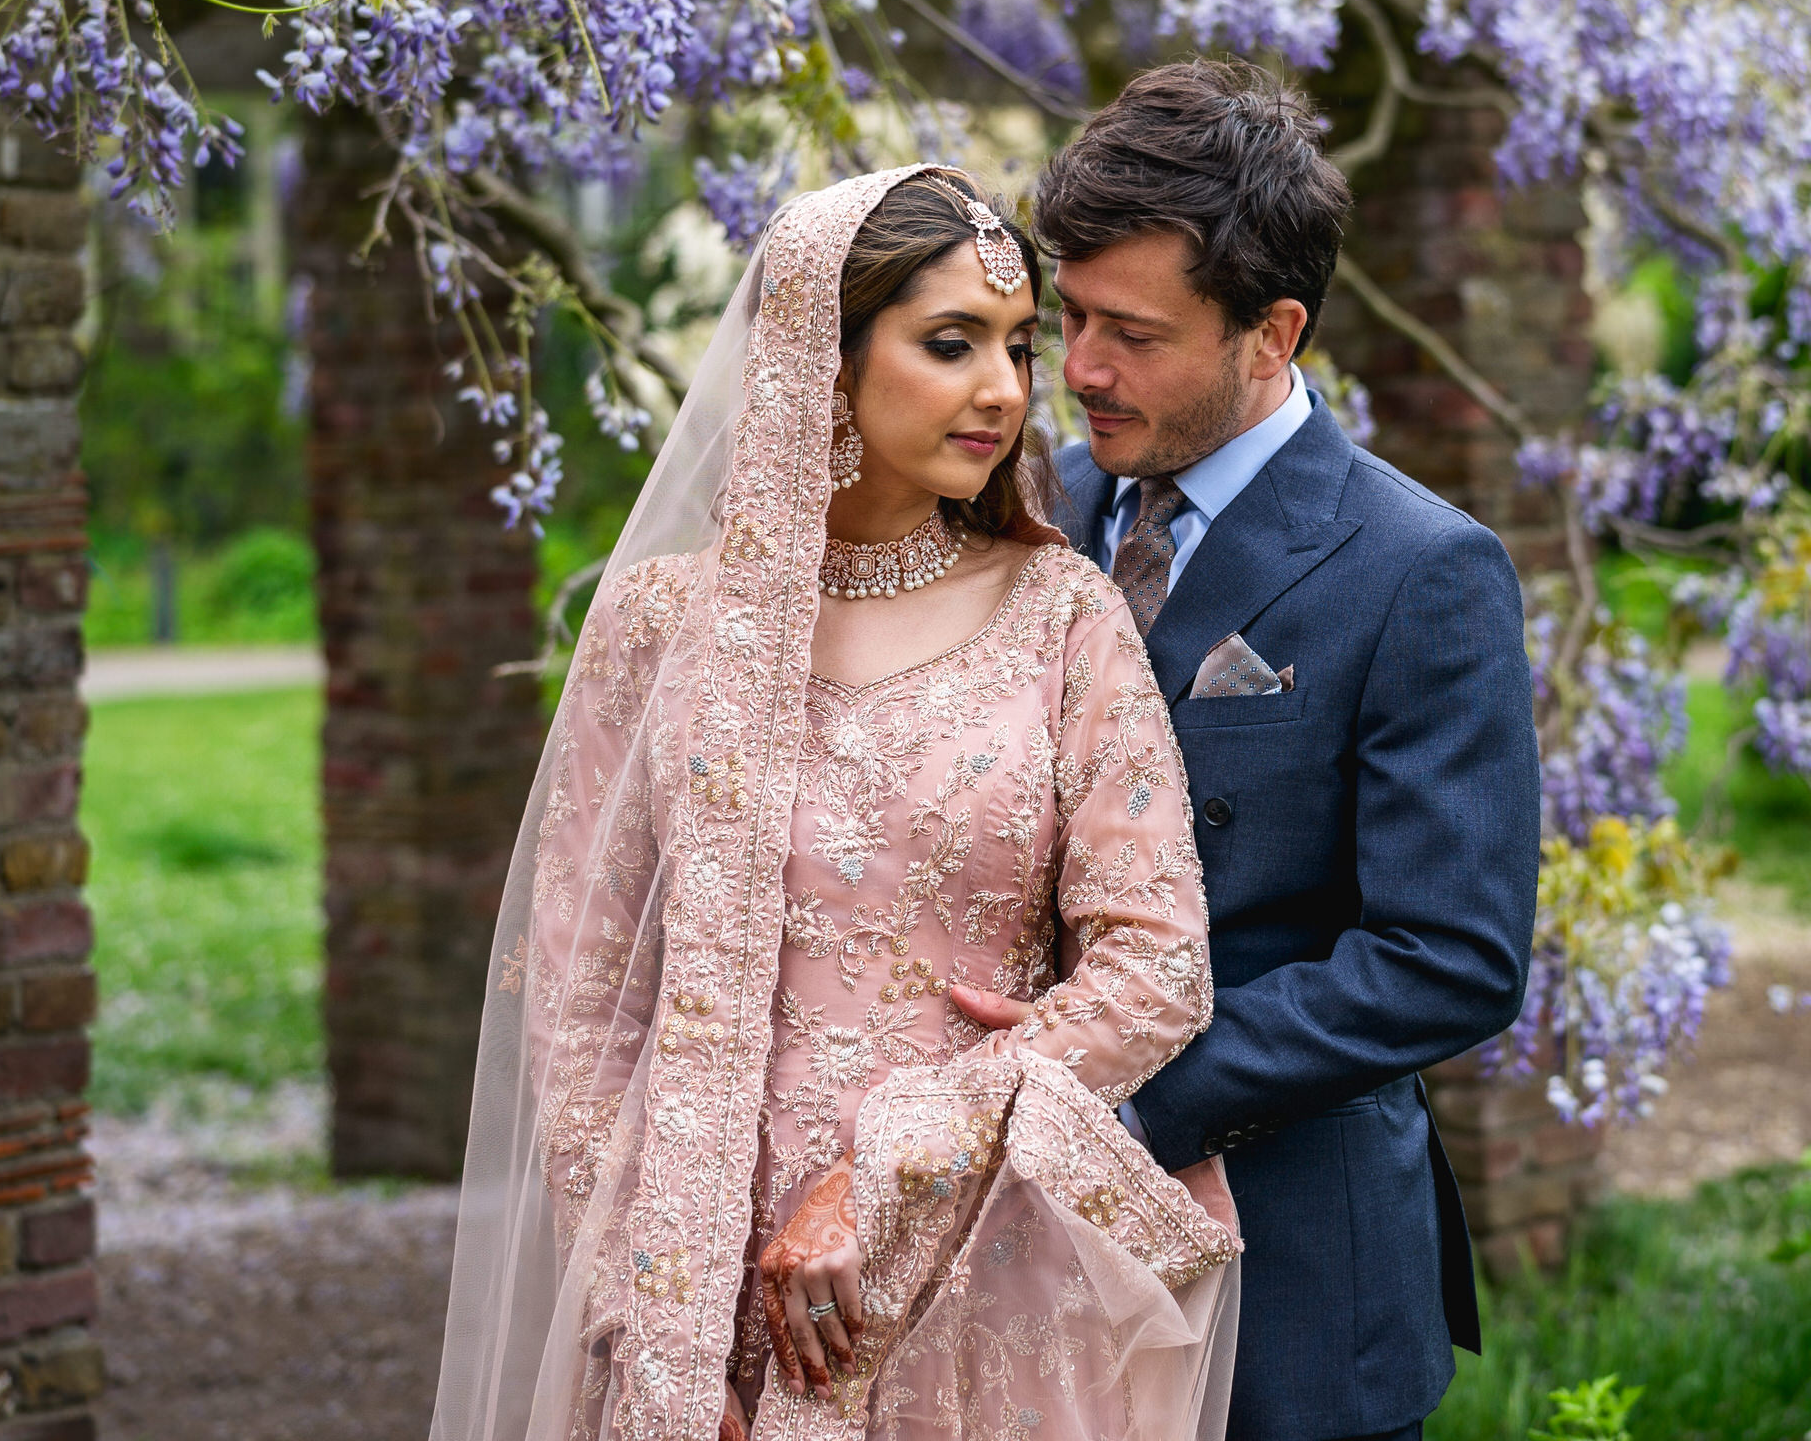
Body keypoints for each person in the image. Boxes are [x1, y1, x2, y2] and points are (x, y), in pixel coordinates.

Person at [428, 166, 1241, 1441]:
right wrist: (648, 1325)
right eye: (951, 343)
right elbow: (584, 1004)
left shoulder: (1061, 616)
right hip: (704, 1278)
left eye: (1019, 346)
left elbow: (1158, 965)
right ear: (826, 353)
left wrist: (903, 1156)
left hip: (974, 1270)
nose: (1004, 389)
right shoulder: (661, 627)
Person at [1016, 60, 1543, 1441]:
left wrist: (1122, 1093)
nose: (1082, 369)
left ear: (1273, 332)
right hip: (1010, 1282)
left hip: (1289, 1287)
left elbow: (1450, 956)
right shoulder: (1035, 502)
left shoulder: (1421, 568)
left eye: (1134, 333)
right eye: (1071, 317)